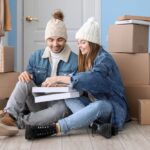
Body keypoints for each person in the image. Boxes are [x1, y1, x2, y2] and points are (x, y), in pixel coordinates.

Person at [25, 17, 130, 140]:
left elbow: (93, 79)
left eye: (83, 42)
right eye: (78, 42)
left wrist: (57, 78)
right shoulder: (86, 60)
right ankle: (95, 125)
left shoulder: (105, 59)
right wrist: (59, 84)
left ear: (93, 43)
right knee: (69, 97)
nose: (79, 46)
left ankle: (55, 128)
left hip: (111, 108)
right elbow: (74, 78)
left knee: (99, 105)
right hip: (92, 105)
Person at [0, 10, 78, 136]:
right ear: (46, 39)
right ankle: (9, 116)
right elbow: (28, 81)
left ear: (65, 39)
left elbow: (78, 87)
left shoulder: (75, 61)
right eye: (51, 40)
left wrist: (60, 84)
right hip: (38, 102)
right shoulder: (35, 56)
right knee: (23, 82)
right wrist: (25, 75)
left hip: (57, 105)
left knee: (63, 109)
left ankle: (19, 122)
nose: (55, 44)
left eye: (60, 40)